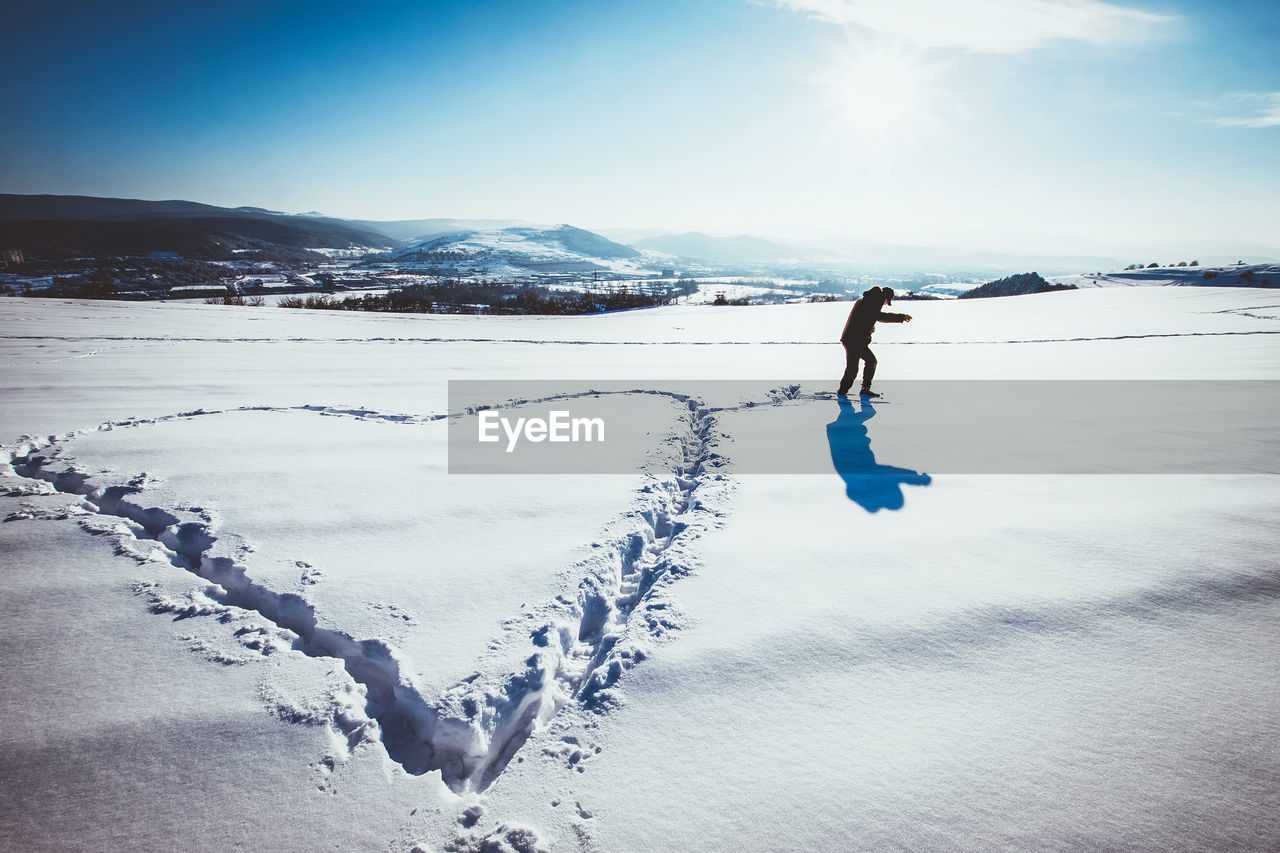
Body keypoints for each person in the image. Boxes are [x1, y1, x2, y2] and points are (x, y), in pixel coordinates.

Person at [836, 286, 912, 397]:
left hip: (854, 339)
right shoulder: (871, 303)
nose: (886, 304)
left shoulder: (867, 300)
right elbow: (879, 316)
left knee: (865, 363)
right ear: (885, 298)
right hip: (854, 340)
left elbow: (869, 318)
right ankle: (845, 391)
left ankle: (855, 389)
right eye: (887, 302)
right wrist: (901, 317)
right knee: (858, 366)